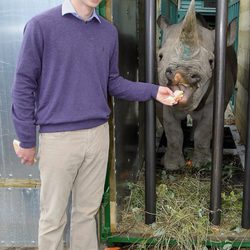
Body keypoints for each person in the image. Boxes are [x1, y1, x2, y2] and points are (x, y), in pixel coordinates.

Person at [11, 0, 177, 249]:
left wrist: (153, 91)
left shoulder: (107, 31)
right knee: (53, 217)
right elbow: (24, 84)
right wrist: (26, 138)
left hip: (98, 136)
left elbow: (113, 82)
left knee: (87, 214)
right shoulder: (41, 26)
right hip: (59, 138)